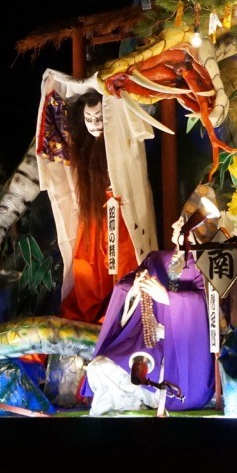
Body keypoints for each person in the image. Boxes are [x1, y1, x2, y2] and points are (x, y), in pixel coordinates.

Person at [55, 90, 139, 323]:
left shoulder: (121, 142)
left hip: (118, 212)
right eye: (89, 119)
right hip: (94, 215)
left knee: (119, 261)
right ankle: (94, 312)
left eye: (99, 118)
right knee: (89, 266)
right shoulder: (83, 149)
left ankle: (116, 312)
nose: (95, 125)